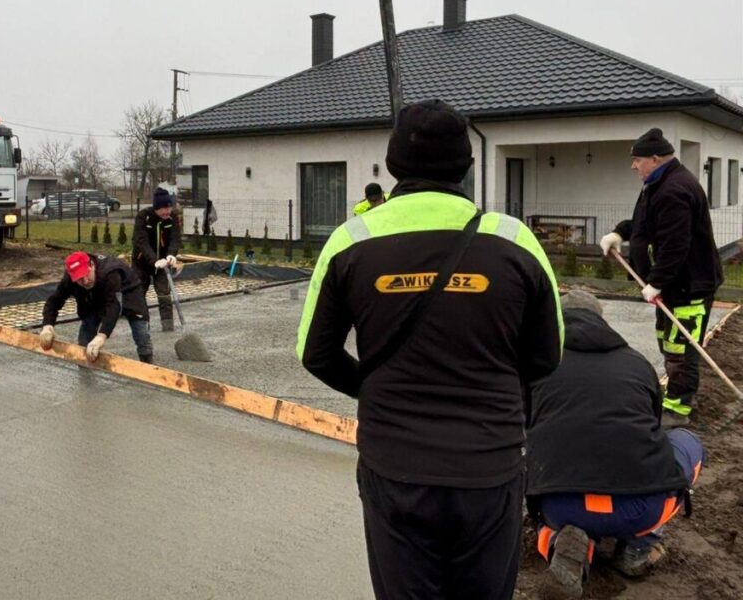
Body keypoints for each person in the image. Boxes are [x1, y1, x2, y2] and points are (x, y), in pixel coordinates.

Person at [297, 98, 563, 600]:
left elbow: (315, 353)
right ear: (466, 166)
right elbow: (547, 356)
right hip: (490, 467)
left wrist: (375, 390)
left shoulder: (350, 241)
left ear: (394, 166)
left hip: (394, 466)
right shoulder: (515, 241)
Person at [527, 289, 705, 599]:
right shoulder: (637, 364)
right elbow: (653, 424)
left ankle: (557, 540)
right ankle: (640, 545)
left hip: (558, 505)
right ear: (602, 320)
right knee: (686, 440)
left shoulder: (536, 365)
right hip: (638, 508)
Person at [599, 128, 723, 427]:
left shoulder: (675, 189)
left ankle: (678, 410)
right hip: (671, 286)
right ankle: (674, 394)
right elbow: (645, 223)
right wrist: (620, 232)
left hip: (689, 286)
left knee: (681, 348)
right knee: (667, 343)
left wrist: (657, 282)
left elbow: (675, 244)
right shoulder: (656, 183)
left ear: (655, 159)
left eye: (637, 160)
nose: (633, 166)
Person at [39, 251, 154, 364]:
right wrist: (47, 326)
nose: (85, 281)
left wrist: (101, 336)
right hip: (97, 295)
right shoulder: (70, 279)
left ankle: (147, 362)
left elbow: (113, 306)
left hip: (128, 291)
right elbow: (54, 301)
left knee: (141, 332)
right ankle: (85, 372)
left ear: (92, 265)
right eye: (79, 279)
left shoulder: (110, 272)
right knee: (86, 331)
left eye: (86, 275)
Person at [133, 187, 183, 332]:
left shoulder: (172, 217)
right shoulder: (144, 217)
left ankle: (168, 326)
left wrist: (172, 254)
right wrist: (154, 260)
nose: (168, 211)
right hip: (142, 262)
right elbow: (140, 241)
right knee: (138, 292)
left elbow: (175, 238)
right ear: (156, 208)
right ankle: (142, 326)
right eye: (164, 208)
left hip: (163, 263)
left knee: (164, 292)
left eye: (169, 207)